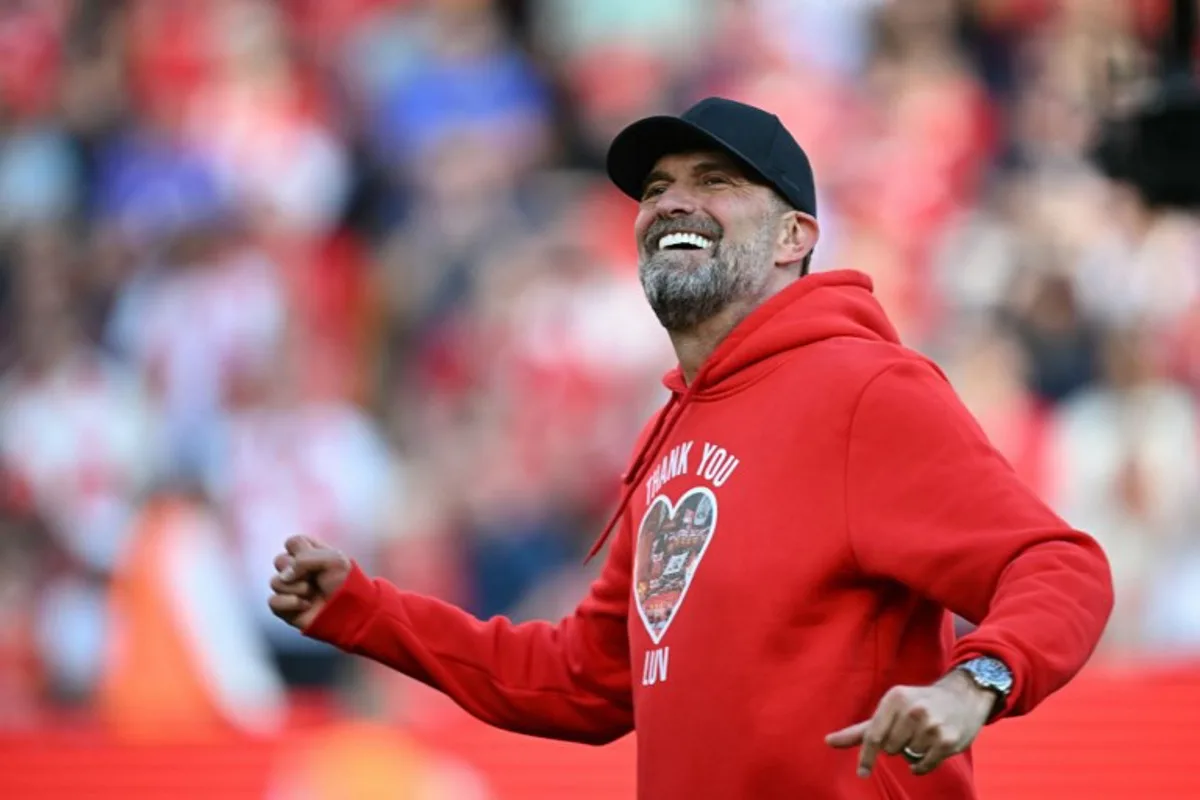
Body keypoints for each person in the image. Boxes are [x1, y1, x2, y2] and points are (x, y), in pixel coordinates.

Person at [268, 97, 1114, 799]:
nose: (672, 201)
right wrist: (365, 611)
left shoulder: (865, 390)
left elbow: (1059, 566)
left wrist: (978, 684)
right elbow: (580, 679)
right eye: (657, 188)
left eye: (714, 182)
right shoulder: (668, 434)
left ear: (794, 238)